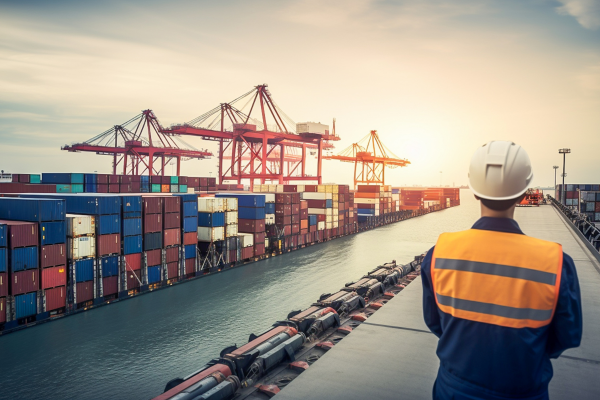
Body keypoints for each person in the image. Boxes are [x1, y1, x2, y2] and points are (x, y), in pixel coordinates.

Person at [421, 141, 582, 400]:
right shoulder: (556, 263)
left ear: (473, 192)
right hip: (523, 391)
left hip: (452, 390)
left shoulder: (439, 253)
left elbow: (435, 322)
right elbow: (566, 337)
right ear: (522, 193)